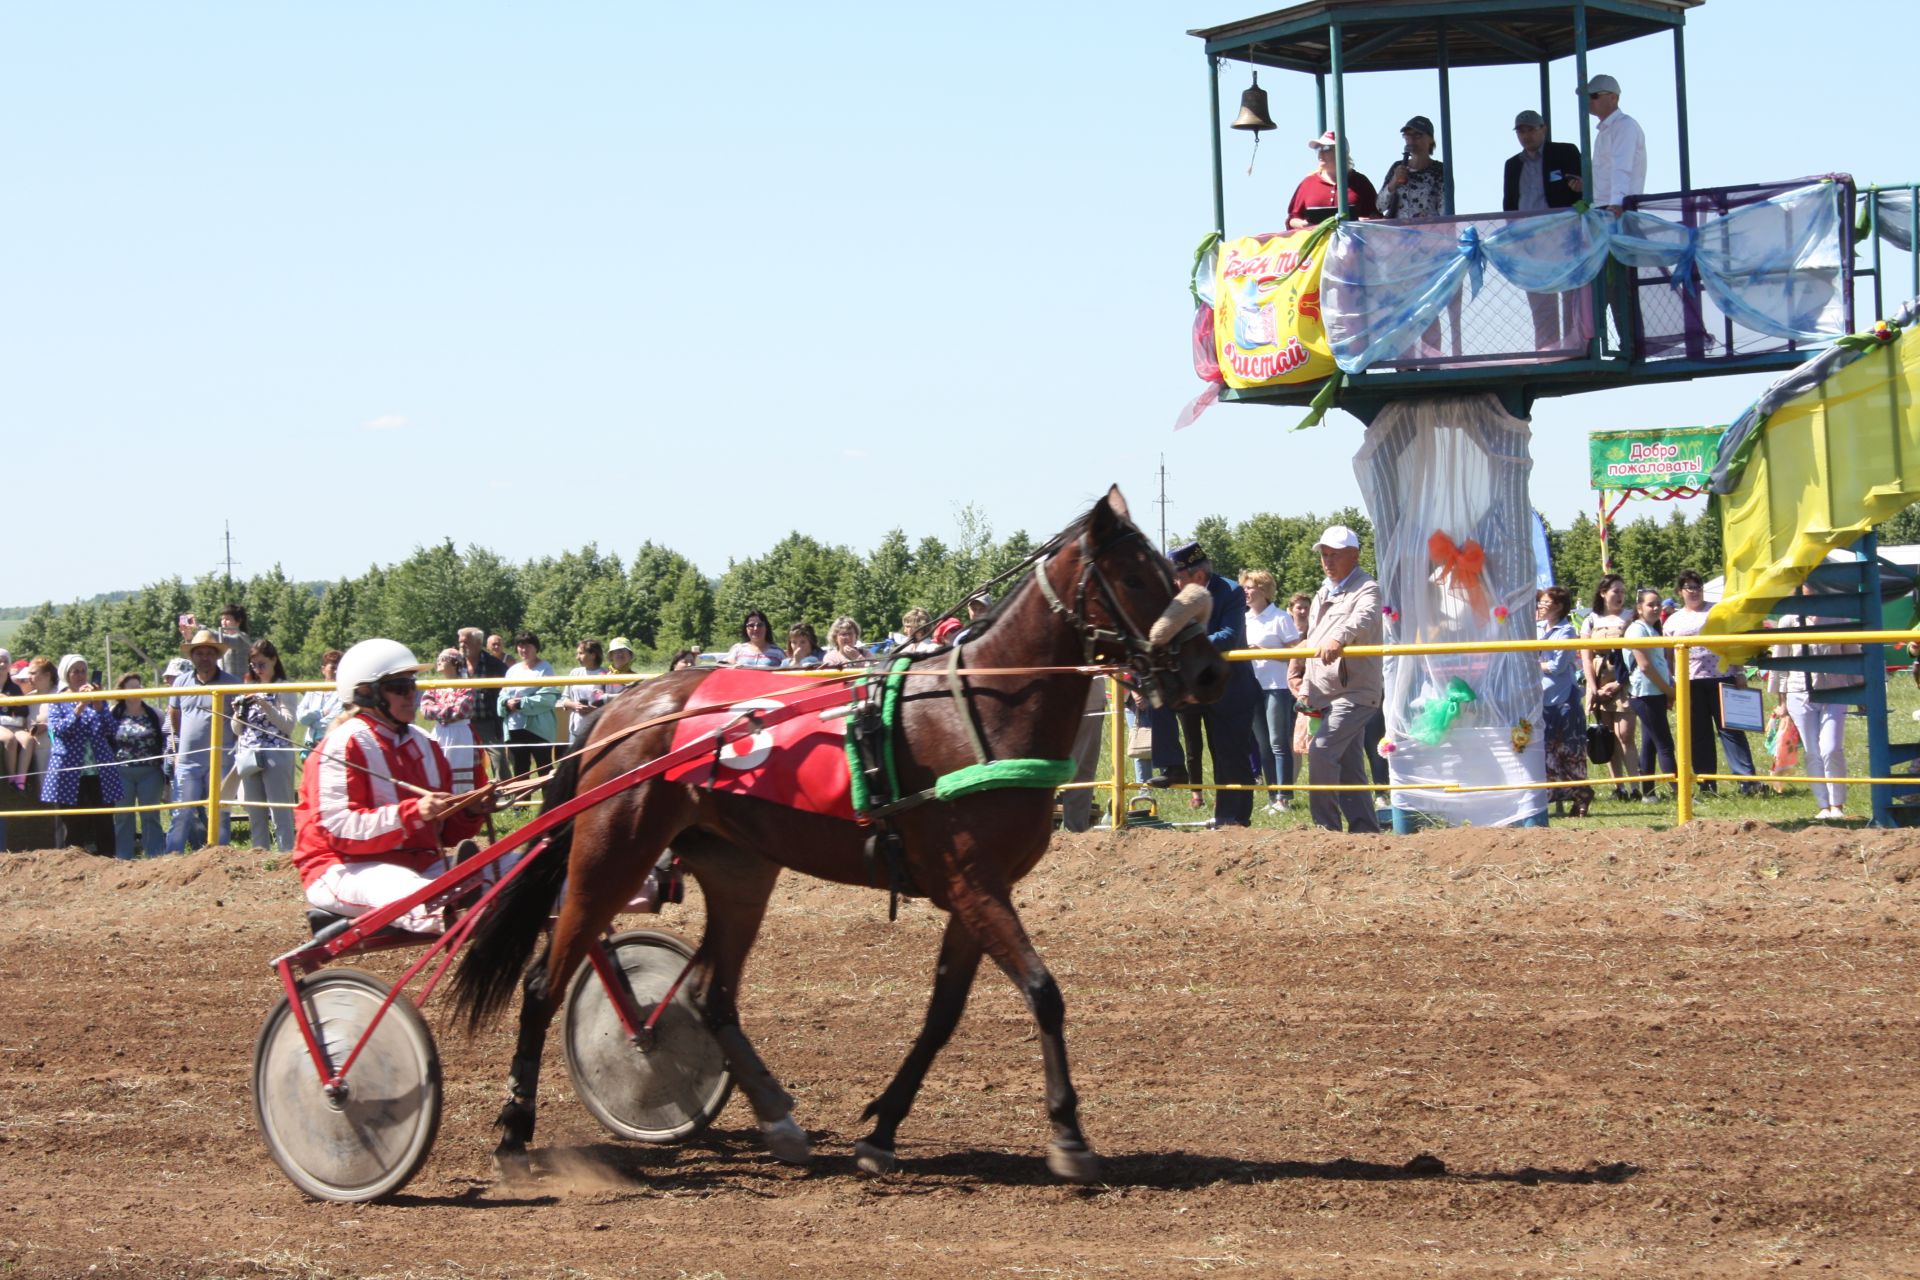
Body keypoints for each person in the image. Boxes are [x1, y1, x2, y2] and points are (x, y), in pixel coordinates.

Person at [292, 638, 489, 935]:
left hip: (421, 864)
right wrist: (414, 813)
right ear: (366, 694)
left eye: (413, 684)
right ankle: (469, 915)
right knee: (417, 893)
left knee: (519, 869)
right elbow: (338, 829)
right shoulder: (342, 745)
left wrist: (469, 811)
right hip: (342, 868)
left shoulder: (426, 745)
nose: (412, 695)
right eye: (400, 687)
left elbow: (447, 833)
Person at [1289, 525, 1383, 833]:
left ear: (1354, 556)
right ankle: (1365, 831)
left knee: (1322, 750)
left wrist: (1338, 638)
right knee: (1349, 767)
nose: (1327, 561)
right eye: (1324, 555)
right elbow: (1315, 641)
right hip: (1325, 692)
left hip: (1355, 693)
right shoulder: (1322, 592)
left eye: (1334, 555)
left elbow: (1363, 619)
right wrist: (1305, 689)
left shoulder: (1367, 588)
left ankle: (1325, 830)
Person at [1166, 541, 1259, 828]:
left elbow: (1229, 636)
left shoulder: (1230, 591)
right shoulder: (1176, 595)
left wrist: (1185, 644)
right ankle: (1171, 769)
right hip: (1192, 686)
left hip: (1231, 688)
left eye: (1178, 576)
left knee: (1230, 754)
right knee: (1182, 736)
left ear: (1197, 576)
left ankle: (1234, 819)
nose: (1174, 582)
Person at [1663, 570, 1762, 797]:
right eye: (1689, 587)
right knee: (1699, 735)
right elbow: (1668, 655)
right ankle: (1706, 783)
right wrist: (1673, 681)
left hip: (1722, 676)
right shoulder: (1673, 620)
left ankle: (1747, 781)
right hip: (1691, 682)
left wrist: (1739, 671)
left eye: (1698, 586)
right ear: (1680, 592)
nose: (1695, 591)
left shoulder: (1717, 611)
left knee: (1731, 730)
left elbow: (1733, 644)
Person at [1768, 586, 1863, 820]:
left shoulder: (1837, 616)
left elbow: (1852, 653)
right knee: (1812, 751)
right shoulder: (1788, 621)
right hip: (1799, 692)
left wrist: (1860, 690)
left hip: (1835, 690)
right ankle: (1823, 806)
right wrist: (1782, 702)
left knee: (1830, 748)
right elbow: (1780, 661)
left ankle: (1837, 804)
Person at [167, 630, 240, 852]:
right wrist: (179, 748)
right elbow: (174, 714)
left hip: (222, 759)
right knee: (181, 812)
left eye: (209, 653)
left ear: (216, 656)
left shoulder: (232, 683)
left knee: (220, 812)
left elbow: (239, 720)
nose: (205, 657)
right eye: (200, 653)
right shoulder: (181, 682)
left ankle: (220, 858)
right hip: (188, 759)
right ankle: (172, 858)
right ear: (193, 656)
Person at [42, 654, 122, 853]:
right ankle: (70, 866)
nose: (80, 675)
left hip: (99, 771)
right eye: (75, 671)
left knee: (104, 822)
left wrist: (98, 706)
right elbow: (59, 730)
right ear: (66, 674)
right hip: (70, 771)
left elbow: (112, 729)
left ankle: (108, 862)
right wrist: (79, 708)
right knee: (73, 824)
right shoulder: (58, 700)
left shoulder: (98, 700)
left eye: (83, 670)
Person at [229, 639, 298, 852]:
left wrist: (267, 706)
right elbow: (236, 730)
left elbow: (287, 726)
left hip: (276, 754)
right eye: (253, 665)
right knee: (255, 811)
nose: (257, 670)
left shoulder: (284, 688)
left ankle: (286, 855)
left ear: (274, 661)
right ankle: (259, 856)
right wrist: (239, 711)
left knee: (280, 812)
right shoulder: (249, 687)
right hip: (249, 755)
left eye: (262, 664)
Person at [1242, 568, 1300, 814]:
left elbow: (1296, 652)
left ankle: (1284, 797)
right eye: (1244, 587)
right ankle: (1271, 797)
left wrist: (1263, 652)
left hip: (1276, 687)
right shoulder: (1244, 619)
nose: (1245, 592)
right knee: (1263, 745)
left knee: (1278, 742)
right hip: (1253, 686)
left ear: (1264, 590)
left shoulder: (1280, 618)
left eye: (1249, 587)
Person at [1579, 574, 1638, 801]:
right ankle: (1619, 787)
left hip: (1623, 679)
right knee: (1607, 736)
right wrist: (1594, 689)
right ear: (1603, 593)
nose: (1620, 596)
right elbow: (1586, 657)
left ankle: (1635, 786)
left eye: (1623, 591)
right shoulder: (1591, 620)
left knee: (1625, 734)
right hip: (1598, 681)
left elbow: (1635, 655)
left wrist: (1619, 682)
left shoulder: (1630, 617)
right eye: (1616, 591)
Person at [1536, 587, 1593, 818]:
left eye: (1546, 602)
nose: (1540, 606)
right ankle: (1556, 797)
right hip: (1543, 700)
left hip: (1564, 700)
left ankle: (1581, 796)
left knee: (1570, 751)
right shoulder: (1538, 629)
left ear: (1558, 606)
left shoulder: (1567, 632)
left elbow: (1557, 667)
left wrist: (1533, 664)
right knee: (1547, 752)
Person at [1624, 588, 1676, 801]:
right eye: (1650, 604)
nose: (1655, 608)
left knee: (1650, 743)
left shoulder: (1652, 629)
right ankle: (1681, 792)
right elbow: (1645, 666)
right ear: (1639, 608)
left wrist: (1666, 688)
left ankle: (1648, 793)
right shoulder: (1637, 630)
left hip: (1654, 692)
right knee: (1665, 744)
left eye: (1658, 604)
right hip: (1645, 694)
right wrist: (1669, 691)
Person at [110, 671, 169, 858]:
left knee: (150, 816)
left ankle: (154, 855)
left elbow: (165, 738)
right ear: (123, 692)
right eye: (133, 687)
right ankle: (123, 856)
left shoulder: (155, 714)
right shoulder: (114, 714)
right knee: (123, 816)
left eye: (140, 686)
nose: (139, 689)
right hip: (121, 772)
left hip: (151, 772)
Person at [421, 648, 487, 796]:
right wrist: (447, 710)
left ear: (455, 663)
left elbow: (461, 710)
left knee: (462, 776)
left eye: (443, 659)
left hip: (460, 733)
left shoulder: (466, 686)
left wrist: (437, 710)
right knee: (438, 768)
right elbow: (425, 709)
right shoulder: (435, 686)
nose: (439, 661)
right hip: (440, 733)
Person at [1581, 74, 1646, 216]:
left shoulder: (1624, 125)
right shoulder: (1605, 131)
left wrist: (1617, 202)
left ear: (1613, 97)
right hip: (1603, 210)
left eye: (1594, 96)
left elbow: (1622, 167)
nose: (1588, 100)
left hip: (1620, 210)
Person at [1288, 130, 1379, 228]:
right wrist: (1303, 224)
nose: (1321, 153)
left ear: (1341, 151)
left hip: (1353, 242)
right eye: (1318, 149)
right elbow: (1292, 219)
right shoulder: (1308, 183)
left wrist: (1361, 222)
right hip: (1319, 242)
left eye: (1326, 148)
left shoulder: (1360, 182)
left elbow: (1378, 216)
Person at [498, 631, 559, 776]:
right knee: (519, 771)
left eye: (527, 646)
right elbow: (502, 695)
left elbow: (548, 698)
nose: (523, 650)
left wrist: (520, 704)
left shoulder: (545, 668)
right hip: (514, 727)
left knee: (544, 769)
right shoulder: (512, 670)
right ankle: (521, 800)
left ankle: (548, 799)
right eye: (520, 646)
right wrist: (506, 703)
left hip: (539, 729)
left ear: (536, 647)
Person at [457, 627, 509, 778]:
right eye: (460, 642)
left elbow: (508, 688)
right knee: (464, 759)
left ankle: (506, 795)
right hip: (464, 722)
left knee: (498, 759)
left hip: (489, 720)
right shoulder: (457, 664)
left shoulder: (493, 664)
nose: (462, 646)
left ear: (478, 642)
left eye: (466, 642)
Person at [1379, 115, 1447, 221]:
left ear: (1430, 140)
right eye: (1407, 135)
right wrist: (1393, 183)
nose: (1411, 139)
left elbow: (1446, 211)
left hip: (1429, 233)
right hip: (1400, 234)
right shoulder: (1397, 167)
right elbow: (1380, 206)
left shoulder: (1439, 170)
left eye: (1417, 135)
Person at [559, 639, 615, 741]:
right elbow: (565, 699)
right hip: (576, 730)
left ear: (593, 655)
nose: (577, 657)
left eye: (581, 653)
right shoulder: (574, 673)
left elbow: (611, 703)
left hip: (597, 731)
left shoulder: (606, 674)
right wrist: (574, 705)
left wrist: (595, 710)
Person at [295, 649, 345, 760]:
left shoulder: (343, 694)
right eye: (333, 668)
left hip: (332, 748)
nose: (336, 671)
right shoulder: (313, 690)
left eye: (339, 668)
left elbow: (334, 719)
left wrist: (312, 722)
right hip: (310, 747)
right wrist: (321, 713)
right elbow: (301, 718)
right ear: (323, 670)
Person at [216, 604, 253, 683]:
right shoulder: (221, 638)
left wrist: (203, 629)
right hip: (224, 684)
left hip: (239, 686)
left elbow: (228, 640)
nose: (223, 622)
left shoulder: (242, 637)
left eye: (227, 619)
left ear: (238, 621)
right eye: (222, 619)